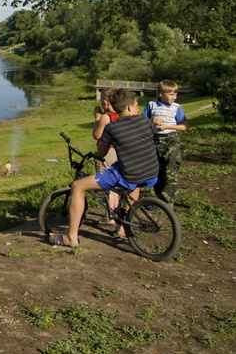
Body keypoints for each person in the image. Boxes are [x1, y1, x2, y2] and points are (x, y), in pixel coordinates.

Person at [51, 89, 159, 247]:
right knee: (134, 184)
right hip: (151, 173)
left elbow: (101, 153)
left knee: (77, 186)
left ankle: (71, 237)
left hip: (128, 174)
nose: (138, 108)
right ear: (129, 108)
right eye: (137, 105)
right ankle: (122, 228)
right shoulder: (146, 121)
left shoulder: (112, 127)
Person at [144, 79, 188, 204]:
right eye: (171, 94)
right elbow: (142, 122)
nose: (174, 97)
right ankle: (159, 201)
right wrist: (151, 122)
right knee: (157, 171)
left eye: (176, 94)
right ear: (161, 94)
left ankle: (168, 201)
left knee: (171, 170)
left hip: (171, 139)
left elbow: (185, 126)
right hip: (154, 141)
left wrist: (168, 127)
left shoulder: (176, 108)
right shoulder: (151, 105)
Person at [93, 89, 120, 223]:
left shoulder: (106, 117)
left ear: (105, 102)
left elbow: (97, 135)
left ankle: (109, 216)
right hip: (119, 151)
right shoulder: (122, 114)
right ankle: (114, 211)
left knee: (105, 181)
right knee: (116, 183)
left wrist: (97, 118)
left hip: (107, 151)